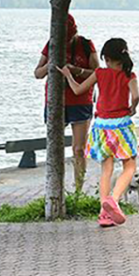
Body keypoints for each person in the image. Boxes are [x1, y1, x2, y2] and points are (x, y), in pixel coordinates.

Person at [61, 37, 139, 227]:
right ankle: (114, 199)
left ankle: (104, 215)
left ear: (106, 57)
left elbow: (79, 90)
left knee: (106, 169)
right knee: (130, 167)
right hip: (121, 126)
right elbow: (136, 96)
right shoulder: (130, 75)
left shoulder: (99, 73)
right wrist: (132, 107)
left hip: (101, 126)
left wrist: (68, 75)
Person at [34, 13, 98, 191]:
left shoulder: (86, 45)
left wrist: (76, 70)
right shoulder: (52, 44)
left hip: (81, 100)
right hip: (55, 102)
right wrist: (51, 64)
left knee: (78, 149)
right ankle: (55, 188)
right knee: (54, 147)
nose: (67, 40)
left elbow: (97, 73)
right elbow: (37, 73)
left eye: (69, 37)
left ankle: (78, 188)